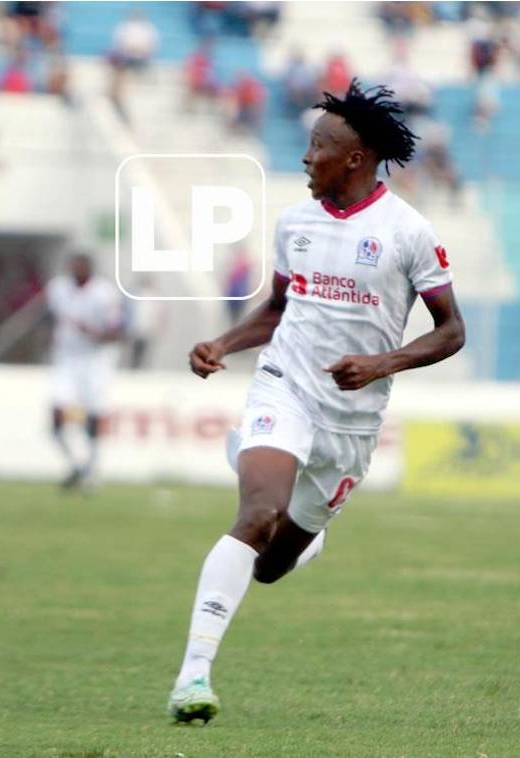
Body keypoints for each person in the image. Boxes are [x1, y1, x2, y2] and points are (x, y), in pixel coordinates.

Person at [168, 80, 466, 723]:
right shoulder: (295, 221)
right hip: (288, 386)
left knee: (272, 564)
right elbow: (278, 310)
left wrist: (382, 363)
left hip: (351, 425)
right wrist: (222, 342)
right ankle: (193, 675)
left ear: (354, 158)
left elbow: (451, 331)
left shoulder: (409, 232)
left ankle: (298, 526)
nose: (305, 157)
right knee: (255, 515)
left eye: (317, 146)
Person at [47, 253, 123, 490]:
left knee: (93, 414)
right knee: (58, 411)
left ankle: (91, 468)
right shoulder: (58, 289)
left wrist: (92, 333)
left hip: (95, 359)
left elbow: (116, 331)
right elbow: (51, 319)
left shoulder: (105, 293)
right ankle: (75, 466)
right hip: (67, 358)